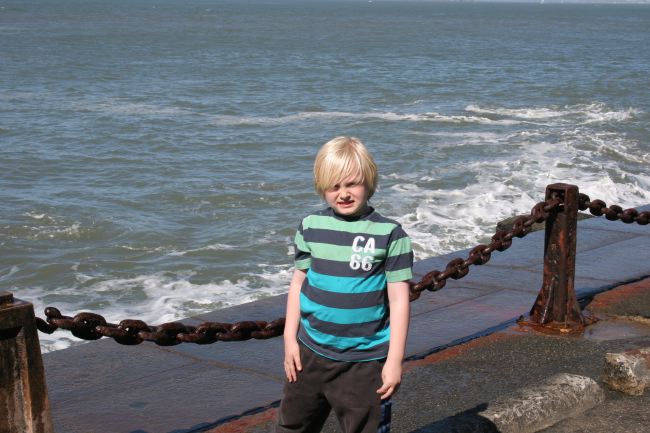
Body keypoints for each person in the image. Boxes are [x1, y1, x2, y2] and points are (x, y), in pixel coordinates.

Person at [276, 136, 413, 433]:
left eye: (352, 184)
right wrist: (289, 340)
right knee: (291, 426)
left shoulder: (390, 234)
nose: (344, 194)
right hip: (309, 354)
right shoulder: (311, 226)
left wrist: (394, 360)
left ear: (369, 182)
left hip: (364, 362)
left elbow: (399, 301)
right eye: (334, 186)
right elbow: (298, 283)